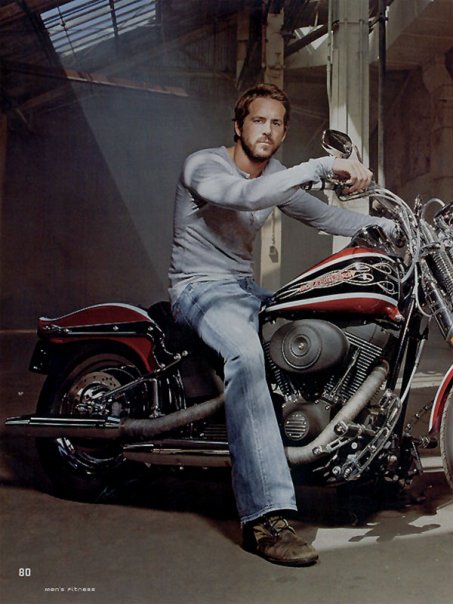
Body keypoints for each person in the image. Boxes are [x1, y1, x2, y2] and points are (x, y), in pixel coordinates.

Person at [168, 83, 395, 566]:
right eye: (258, 120)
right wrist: (320, 167)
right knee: (247, 356)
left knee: (326, 330)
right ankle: (264, 517)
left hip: (243, 289)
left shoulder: (274, 175)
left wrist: (395, 227)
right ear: (238, 125)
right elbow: (243, 195)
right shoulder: (204, 165)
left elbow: (326, 217)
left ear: (284, 133)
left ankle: (345, 462)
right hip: (198, 288)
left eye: (276, 123)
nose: (266, 130)